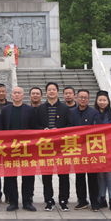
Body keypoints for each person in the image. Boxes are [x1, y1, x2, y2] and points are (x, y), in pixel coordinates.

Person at [36, 82, 74, 211]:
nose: (51, 91)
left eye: (54, 89)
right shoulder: (40, 109)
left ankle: (63, 200)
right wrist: (43, 130)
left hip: (61, 147)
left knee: (63, 175)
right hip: (46, 147)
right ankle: (49, 200)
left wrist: (60, 131)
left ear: (57, 92)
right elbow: (35, 126)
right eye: (49, 90)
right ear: (46, 92)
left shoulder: (65, 108)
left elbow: (70, 125)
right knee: (46, 175)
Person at [0, 86, 38, 212]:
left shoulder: (30, 110)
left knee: (28, 176)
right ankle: (13, 202)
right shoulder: (5, 110)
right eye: (15, 93)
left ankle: (27, 202)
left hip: (26, 149)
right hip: (10, 149)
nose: (17, 95)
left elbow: (34, 128)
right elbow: (2, 128)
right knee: (10, 176)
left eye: (19, 93)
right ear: (11, 95)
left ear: (23, 95)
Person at [69, 89, 100, 211]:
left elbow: (97, 130)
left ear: (88, 99)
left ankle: (94, 202)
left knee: (93, 177)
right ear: (76, 98)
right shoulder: (71, 112)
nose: (83, 99)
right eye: (81, 97)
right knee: (79, 176)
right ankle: (82, 201)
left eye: (85, 97)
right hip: (77, 149)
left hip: (91, 149)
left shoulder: (94, 112)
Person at [93, 91, 111, 210]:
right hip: (96, 149)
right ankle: (102, 198)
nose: (102, 102)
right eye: (100, 100)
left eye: (104, 100)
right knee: (101, 176)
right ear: (96, 101)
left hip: (110, 150)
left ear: (108, 101)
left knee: (110, 176)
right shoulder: (93, 114)